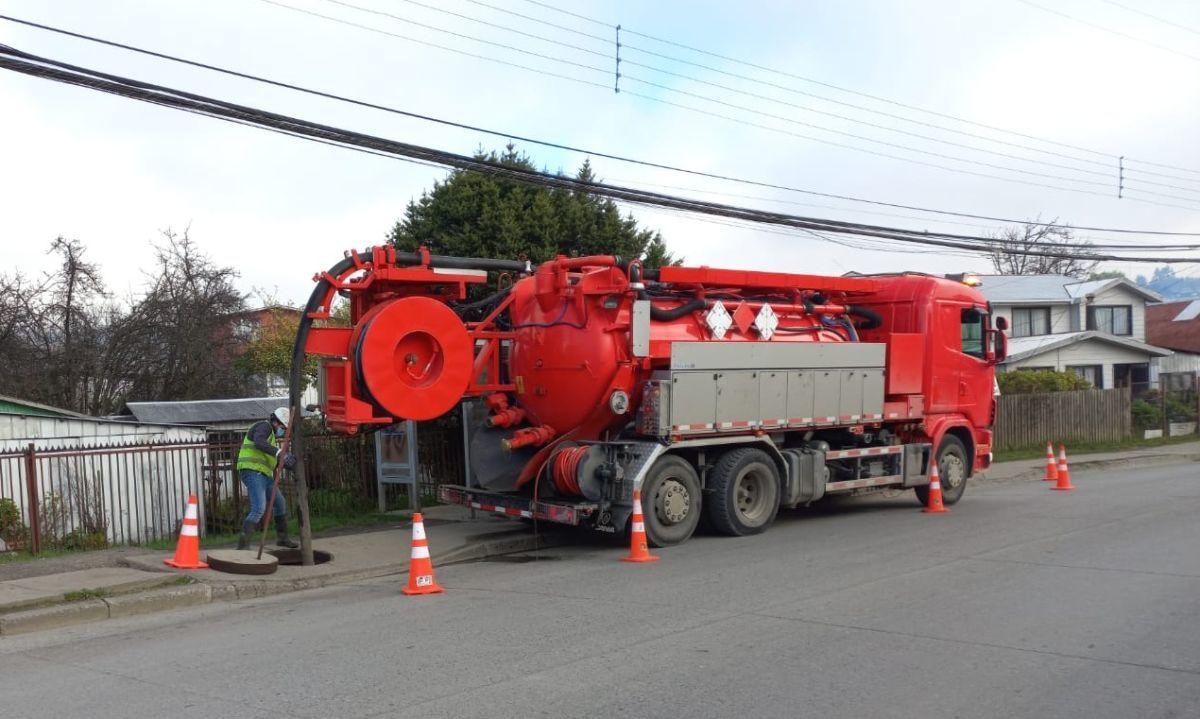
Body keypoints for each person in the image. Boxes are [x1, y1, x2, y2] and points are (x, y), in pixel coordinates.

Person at [236, 407, 299, 550]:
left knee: (280, 503)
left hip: (264, 475)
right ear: (276, 423)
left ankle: (282, 539)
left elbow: (270, 459)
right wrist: (279, 453)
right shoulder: (263, 427)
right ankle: (243, 545)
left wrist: (286, 462)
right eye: (283, 427)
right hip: (252, 472)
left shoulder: (270, 437)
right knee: (259, 509)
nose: (283, 431)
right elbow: (259, 442)